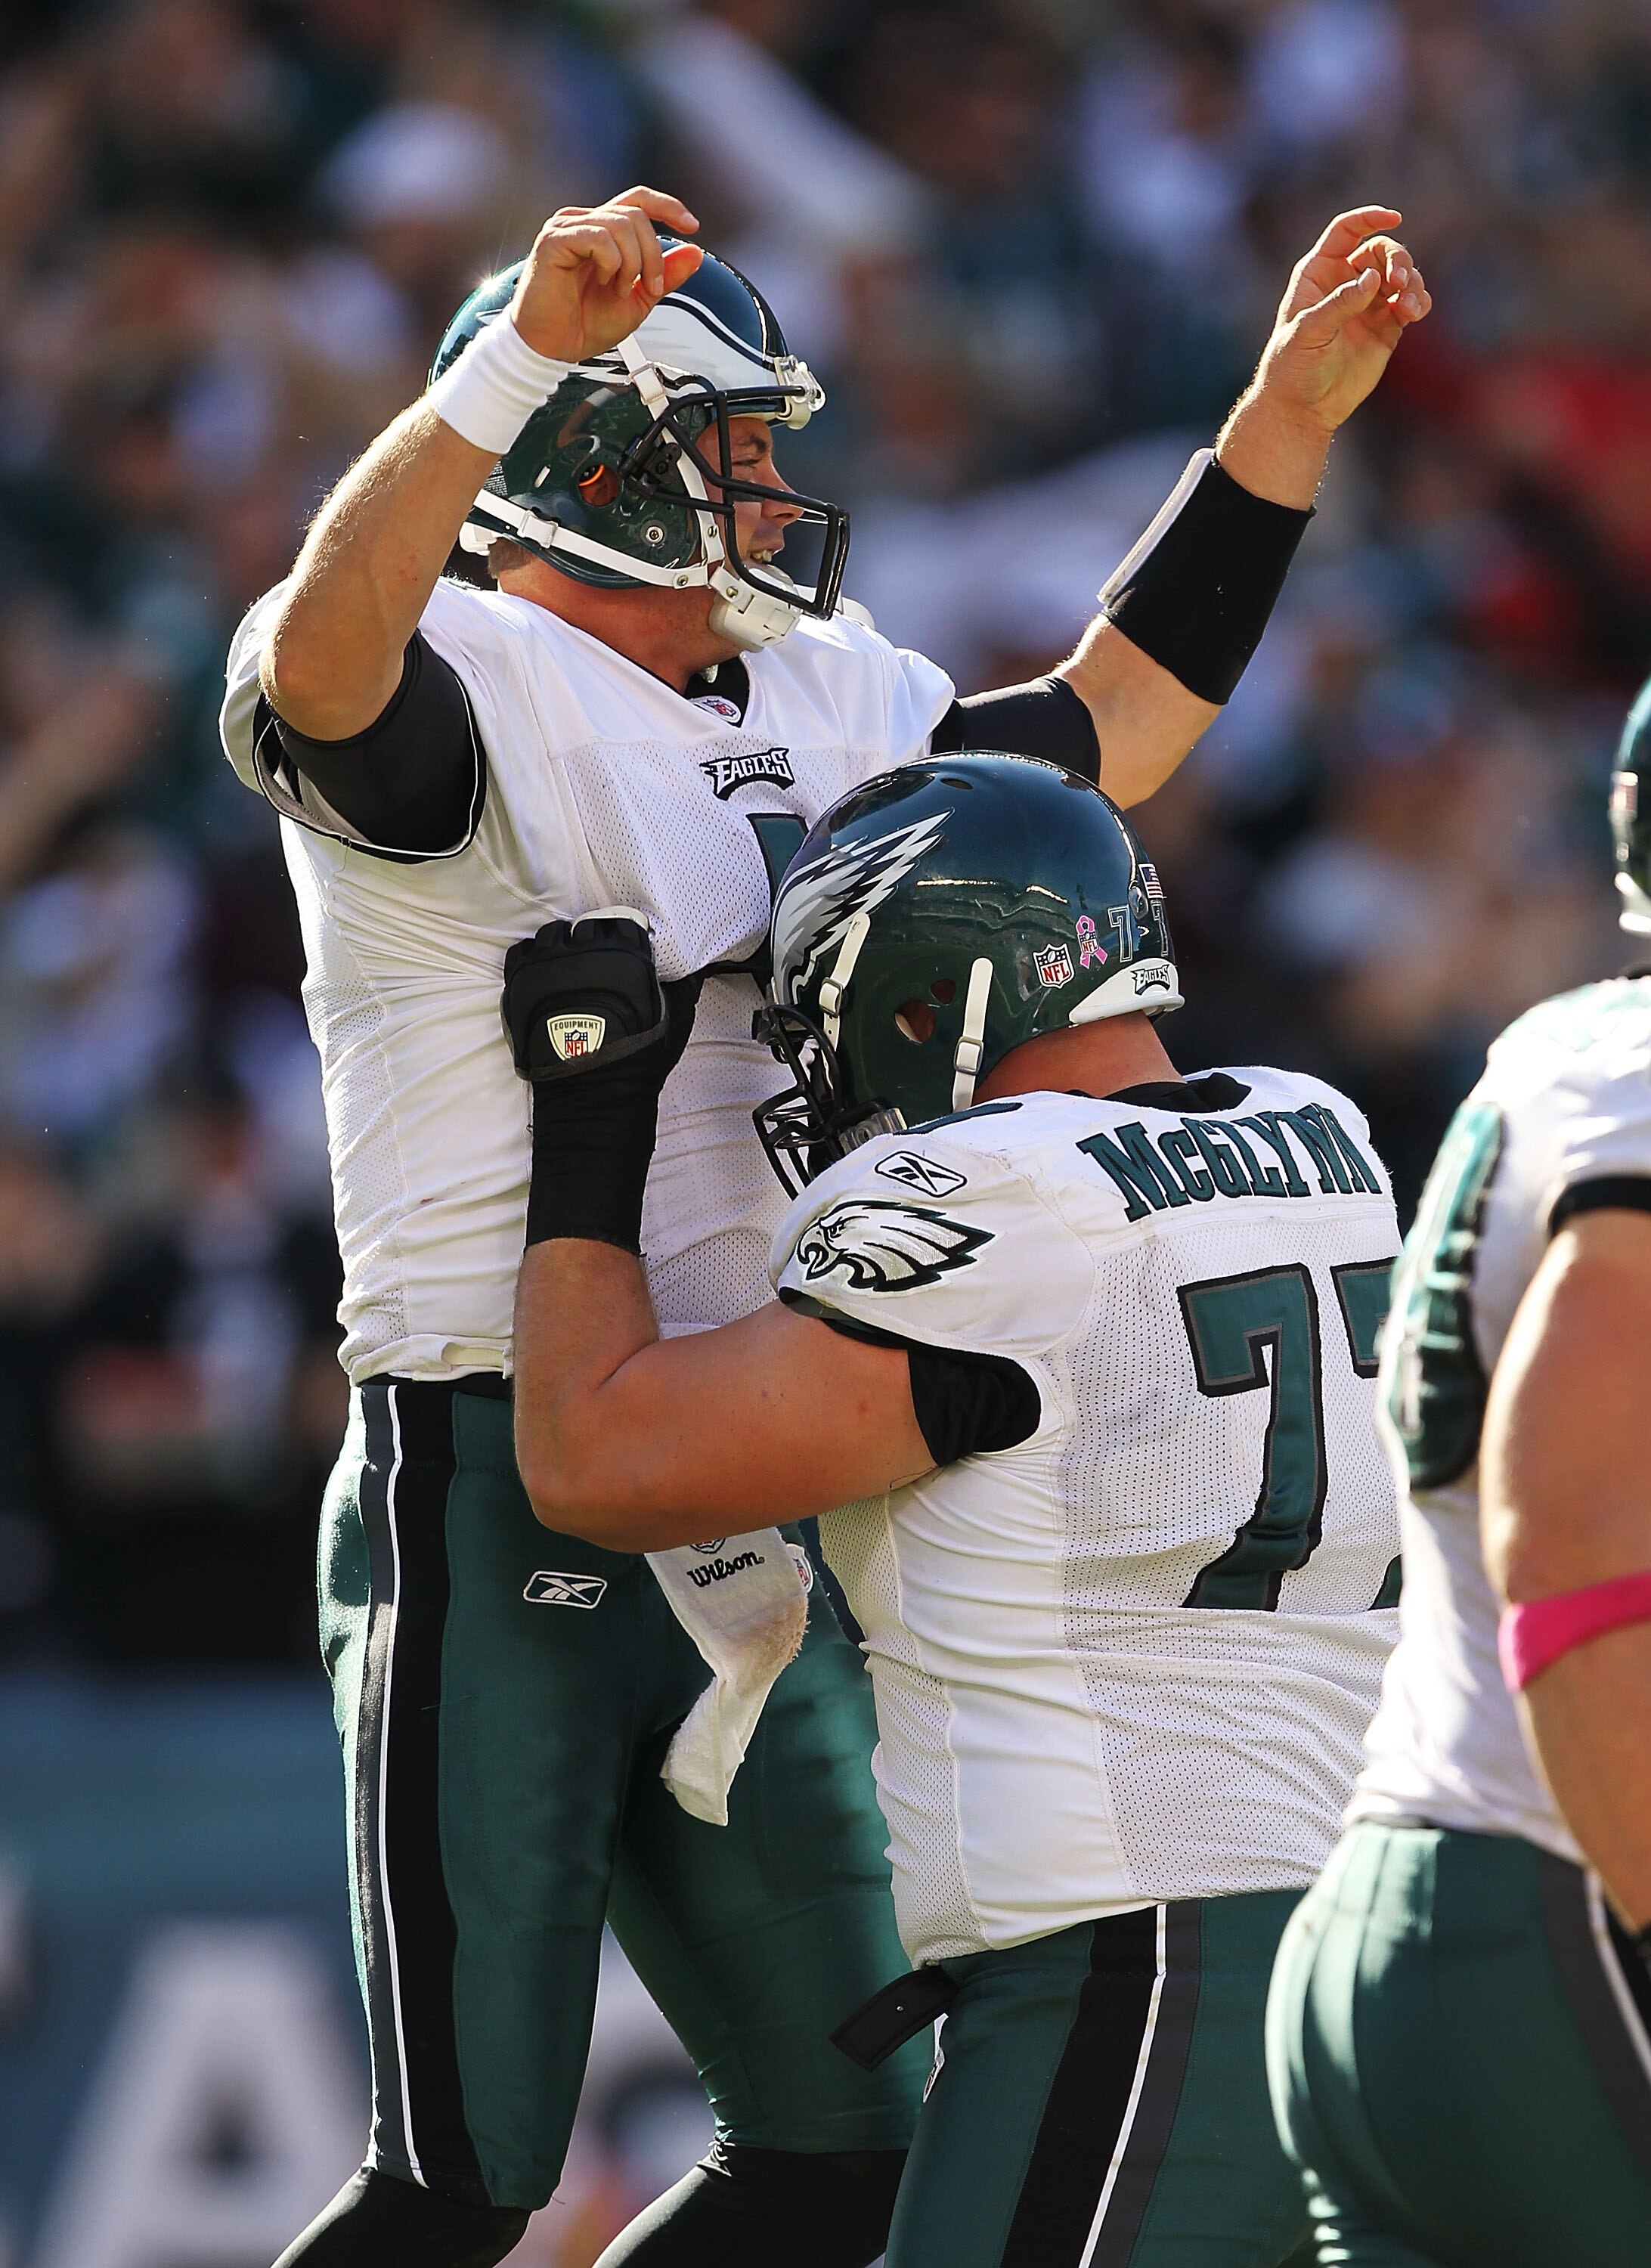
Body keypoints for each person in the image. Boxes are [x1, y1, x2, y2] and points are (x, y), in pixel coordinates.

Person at [220, 184, 1427, 2266]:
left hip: (740, 1468)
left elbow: (1095, 738)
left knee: (843, 2150)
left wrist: (1276, 436)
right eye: (732, 449)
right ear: (582, 461)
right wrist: (501, 373)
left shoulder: (814, 688)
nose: (778, 489)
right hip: (495, 1470)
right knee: (458, 2182)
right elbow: (331, 676)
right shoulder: (475, 666)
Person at [503, 751, 1405, 2268]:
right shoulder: (1322, 1135)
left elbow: (600, 1463)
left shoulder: (993, 1197)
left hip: (1142, 1962)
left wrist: (586, 1136)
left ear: (928, 1004)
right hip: (1355, 1954)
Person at [1265, 681, 1651, 2266]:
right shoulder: (1629, 1079)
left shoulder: (1572, 1046)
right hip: (1557, 1899)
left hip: (1439, 1909)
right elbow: (1567, 1528)